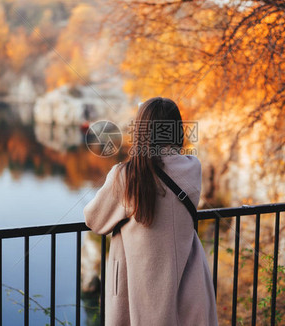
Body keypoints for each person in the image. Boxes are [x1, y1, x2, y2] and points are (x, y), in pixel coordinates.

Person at [83, 97, 219, 326]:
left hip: (137, 290)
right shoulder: (192, 167)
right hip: (187, 284)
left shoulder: (126, 176)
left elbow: (93, 220)